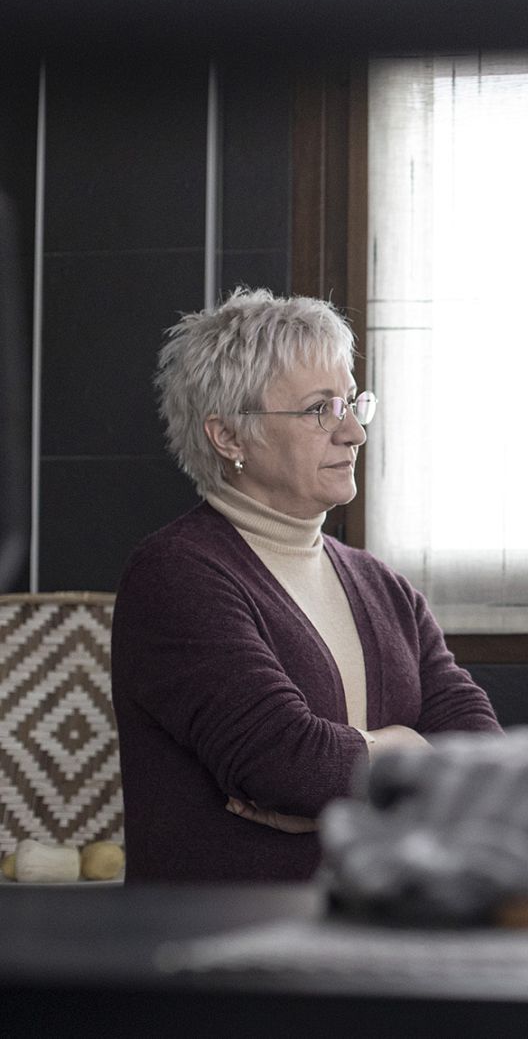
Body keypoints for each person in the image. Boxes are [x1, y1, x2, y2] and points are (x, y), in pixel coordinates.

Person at [113, 289, 501, 883]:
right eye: (320, 409)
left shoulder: (385, 589)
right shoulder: (175, 576)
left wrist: (352, 782)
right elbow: (291, 767)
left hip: (367, 939)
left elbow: (486, 764)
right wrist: (404, 748)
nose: (352, 433)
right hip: (220, 951)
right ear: (229, 437)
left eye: (351, 403)